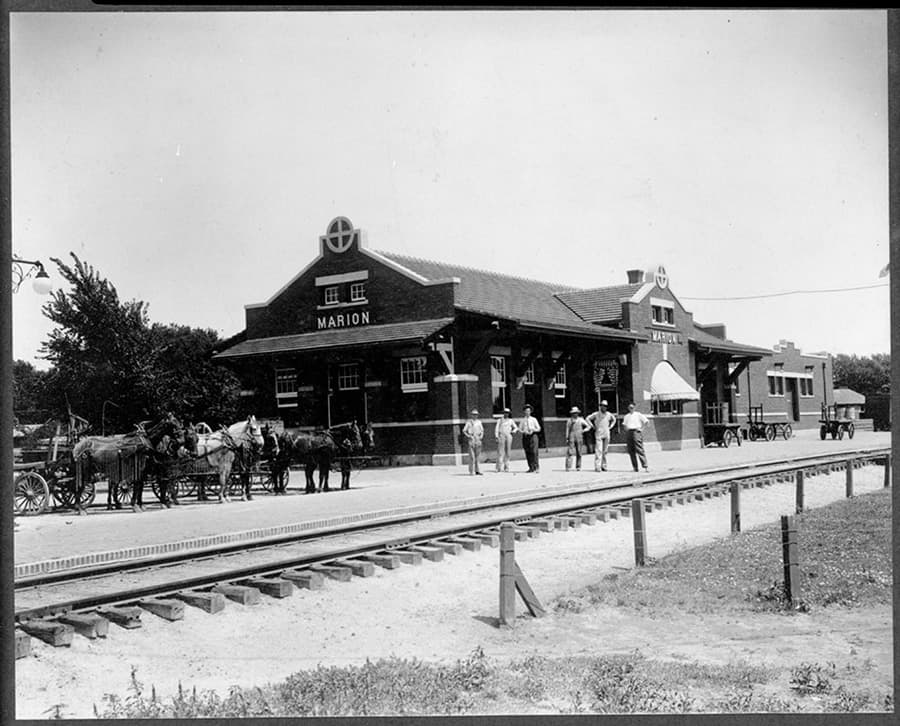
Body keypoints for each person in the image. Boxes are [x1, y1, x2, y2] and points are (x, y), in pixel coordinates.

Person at [587, 400, 617, 472]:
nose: (604, 407)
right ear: (600, 406)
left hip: (606, 433)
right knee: (599, 450)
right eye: (603, 406)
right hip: (599, 433)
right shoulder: (596, 414)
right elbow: (587, 418)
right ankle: (597, 466)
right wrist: (592, 426)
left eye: (605, 406)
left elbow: (614, 419)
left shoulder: (608, 414)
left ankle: (604, 466)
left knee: (605, 451)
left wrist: (611, 426)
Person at [622, 402, 650, 472]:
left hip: (636, 432)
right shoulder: (626, 416)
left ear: (635, 408)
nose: (631, 409)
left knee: (639, 449)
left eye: (632, 407)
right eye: (629, 408)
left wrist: (642, 429)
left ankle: (645, 466)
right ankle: (635, 467)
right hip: (629, 432)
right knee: (631, 451)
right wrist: (626, 430)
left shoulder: (638, 414)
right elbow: (624, 424)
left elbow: (646, 421)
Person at [565, 406, 592, 471]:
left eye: (576, 413)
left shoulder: (581, 419)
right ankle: (568, 466)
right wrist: (567, 438)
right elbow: (567, 429)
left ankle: (578, 466)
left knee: (579, 452)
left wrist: (584, 430)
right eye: (574, 413)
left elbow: (588, 426)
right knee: (570, 452)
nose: (575, 414)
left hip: (579, 436)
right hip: (571, 435)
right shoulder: (569, 420)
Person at [494, 407, 519, 472]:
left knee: (508, 452)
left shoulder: (511, 421)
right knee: (500, 451)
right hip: (501, 435)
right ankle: (498, 467)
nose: (506, 414)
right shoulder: (500, 420)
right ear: (503, 413)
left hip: (508, 435)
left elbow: (516, 428)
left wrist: (512, 432)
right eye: (505, 413)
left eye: (507, 413)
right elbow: (496, 429)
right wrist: (496, 436)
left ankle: (506, 466)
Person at [519, 404, 542, 473]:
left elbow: (539, 428)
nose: (527, 412)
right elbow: (519, 429)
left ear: (530, 412)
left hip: (533, 436)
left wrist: (533, 430)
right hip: (526, 437)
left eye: (528, 411)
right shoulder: (522, 420)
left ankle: (536, 467)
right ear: (524, 412)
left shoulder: (534, 419)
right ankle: (531, 467)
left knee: (534, 452)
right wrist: (524, 431)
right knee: (528, 452)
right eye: (526, 411)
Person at [462, 408, 484, 475]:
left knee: (477, 456)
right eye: (474, 414)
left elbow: (482, 430)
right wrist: (468, 436)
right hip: (471, 438)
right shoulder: (469, 422)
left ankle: (477, 470)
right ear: (471, 415)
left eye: (476, 415)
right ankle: (471, 471)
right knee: (472, 456)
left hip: (478, 438)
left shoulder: (479, 422)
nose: (475, 416)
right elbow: (464, 430)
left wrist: (481, 436)